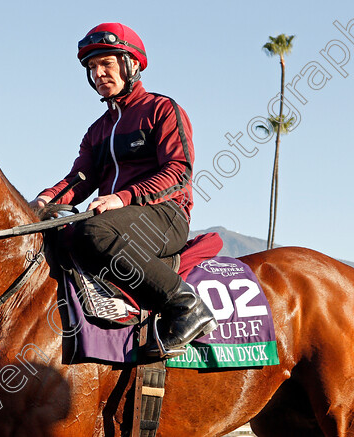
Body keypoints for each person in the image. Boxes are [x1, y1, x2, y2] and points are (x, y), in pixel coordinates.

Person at [29, 23, 217, 357]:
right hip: (112, 218)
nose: (98, 73)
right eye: (92, 68)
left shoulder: (162, 109)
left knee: (93, 231)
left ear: (130, 64)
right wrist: (43, 202)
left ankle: (187, 307)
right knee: (57, 236)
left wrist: (122, 197)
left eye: (106, 64)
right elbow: (79, 179)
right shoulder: (96, 130)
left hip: (165, 215)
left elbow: (178, 172)